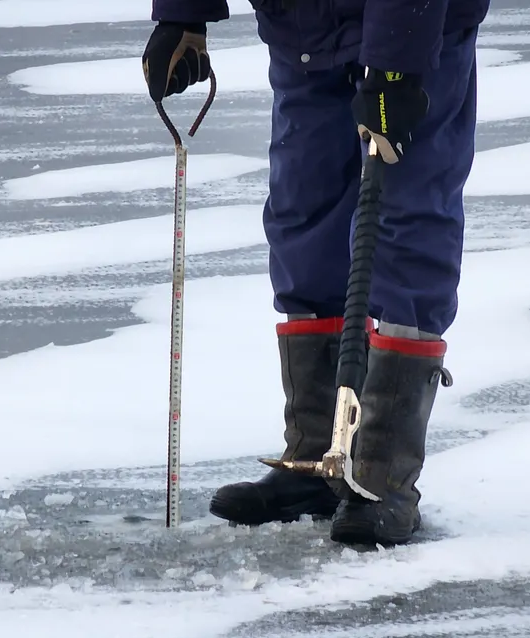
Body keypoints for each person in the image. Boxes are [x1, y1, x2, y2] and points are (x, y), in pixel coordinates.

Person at [142, 0, 489, 546]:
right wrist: (183, 15)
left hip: (415, 30)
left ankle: (382, 471)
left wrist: (397, 61)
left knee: (405, 220)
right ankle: (315, 456)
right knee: (304, 217)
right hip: (303, 26)